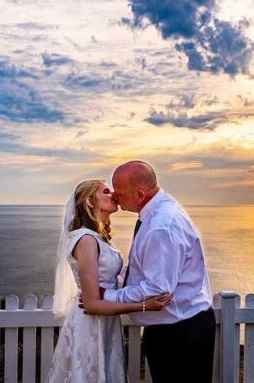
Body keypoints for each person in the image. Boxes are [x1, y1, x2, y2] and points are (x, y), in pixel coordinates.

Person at [47, 179, 173, 383]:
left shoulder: (98, 237)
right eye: (106, 191)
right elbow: (91, 304)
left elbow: (111, 278)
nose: (113, 194)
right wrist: (142, 306)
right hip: (91, 324)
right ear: (89, 201)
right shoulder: (86, 240)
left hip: (106, 321)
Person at [103, 161, 215, 383]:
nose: (115, 197)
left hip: (180, 334)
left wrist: (109, 296)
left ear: (140, 194)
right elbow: (144, 267)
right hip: (179, 327)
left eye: (120, 193)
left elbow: (158, 289)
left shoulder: (160, 226)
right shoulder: (158, 211)